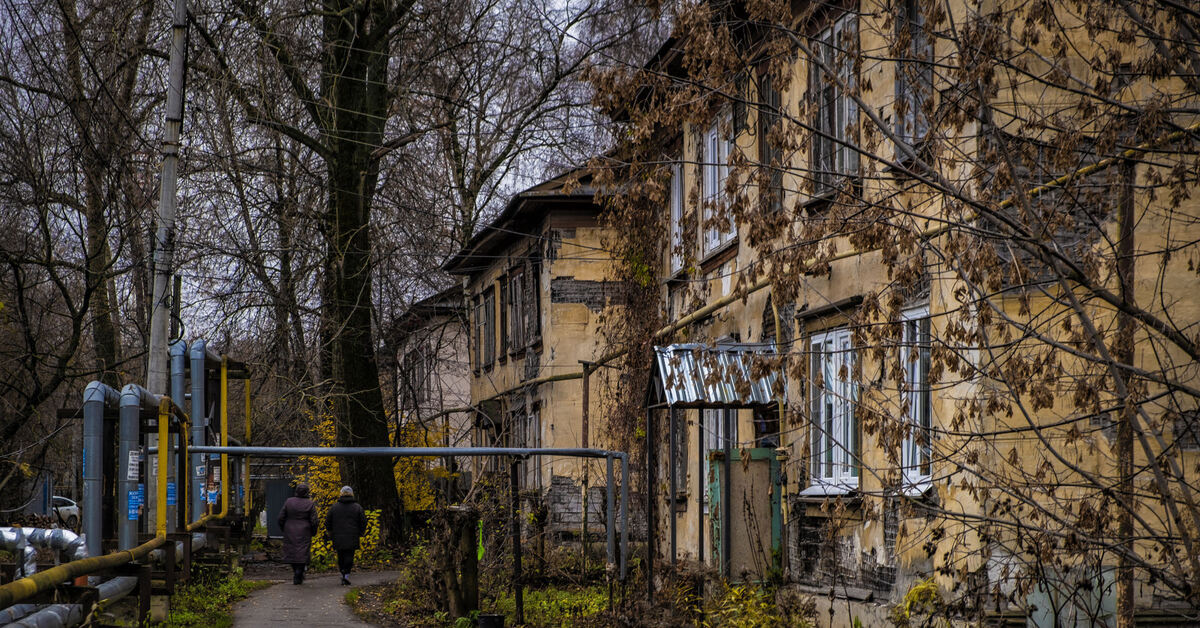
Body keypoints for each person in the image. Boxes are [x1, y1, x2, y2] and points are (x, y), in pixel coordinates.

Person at [325, 485, 367, 586]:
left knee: (340, 555)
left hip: (338, 536)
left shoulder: (334, 507)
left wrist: (330, 532)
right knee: (349, 555)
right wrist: (361, 532)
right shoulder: (357, 507)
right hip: (352, 535)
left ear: (341, 494)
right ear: (352, 494)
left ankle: (343, 572)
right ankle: (346, 574)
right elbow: (363, 521)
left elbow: (328, 521)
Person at [277, 482, 318, 585]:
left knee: (291, 551)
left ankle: (296, 571)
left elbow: (281, 517)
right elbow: (314, 520)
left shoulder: (289, 502)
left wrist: (284, 528)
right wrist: (313, 531)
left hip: (290, 529)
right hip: (304, 530)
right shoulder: (310, 503)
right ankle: (299, 571)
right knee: (302, 552)